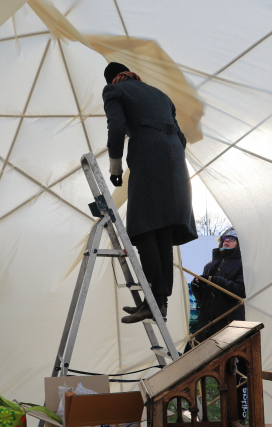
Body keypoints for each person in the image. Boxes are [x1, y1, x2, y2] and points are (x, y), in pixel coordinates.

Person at [102, 62, 197, 324]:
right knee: (162, 232)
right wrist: (171, 160)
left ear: (112, 81)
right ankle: (159, 303)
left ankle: (153, 302)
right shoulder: (160, 95)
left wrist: (115, 166)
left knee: (144, 228)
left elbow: (117, 126)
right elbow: (181, 138)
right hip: (175, 162)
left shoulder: (115, 92)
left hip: (149, 159)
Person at [190, 227, 248, 420]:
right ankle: (196, 412)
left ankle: (238, 416)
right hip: (207, 325)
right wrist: (198, 287)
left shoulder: (242, 263)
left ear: (239, 243)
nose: (226, 240)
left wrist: (216, 280)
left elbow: (240, 291)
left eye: (232, 238)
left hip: (230, 327)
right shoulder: (210, 265)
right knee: (194, 368)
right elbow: (204, 298)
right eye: (224, 238)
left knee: (234, 373)